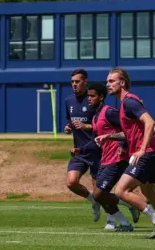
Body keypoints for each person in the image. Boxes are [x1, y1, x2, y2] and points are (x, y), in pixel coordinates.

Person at [96, 68, 155, 239]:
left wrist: (142, 149)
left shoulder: (129, 102)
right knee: (147, 190)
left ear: (122, 82)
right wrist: (109, 136)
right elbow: (130, 132)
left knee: (121, 190)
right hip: (150, 152)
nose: (107, 84)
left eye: (111, 81)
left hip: (146, 153)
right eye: (107, 81)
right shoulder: (124, 105)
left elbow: (150, 122)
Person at [71, 83, 139, 231]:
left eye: (92, 96)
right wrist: (80, 150)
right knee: (100, 196)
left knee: (98, 194)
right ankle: (126, 224)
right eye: (88, 96)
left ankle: (133, 204)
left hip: (117, 159)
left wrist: (123, 146)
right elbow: (95, 141)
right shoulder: (95, 117)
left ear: (101, 97)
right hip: (105, 160)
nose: (89, 99)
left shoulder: (109, 112)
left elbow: (127, 130)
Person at [64, 69, 106, 225]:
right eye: (72, 81)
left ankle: (118, 214)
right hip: (79, 151)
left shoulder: (93, 100)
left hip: (95, 151)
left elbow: (102, 126)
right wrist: (68, 128)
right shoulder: (69, 101)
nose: (74, 84)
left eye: (78, 81)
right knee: (71, 182)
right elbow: (71, 121)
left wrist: (85, 125)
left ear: (85, 82)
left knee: (100, 192)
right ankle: (93, 202)